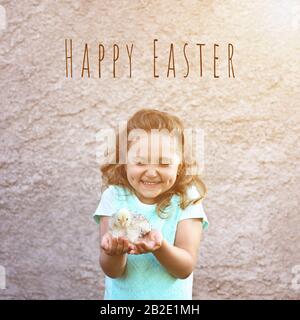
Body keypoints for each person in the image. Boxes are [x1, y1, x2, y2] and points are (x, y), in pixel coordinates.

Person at [93, 108, 209, 299]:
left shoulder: (187, 198)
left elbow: (185, 268)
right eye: (140, 163)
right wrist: (115, 251)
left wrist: (159, 246)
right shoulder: (114, 196)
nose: (152, 172)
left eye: (164, 164)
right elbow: (112, 271)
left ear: (180, 165)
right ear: (124, 162)